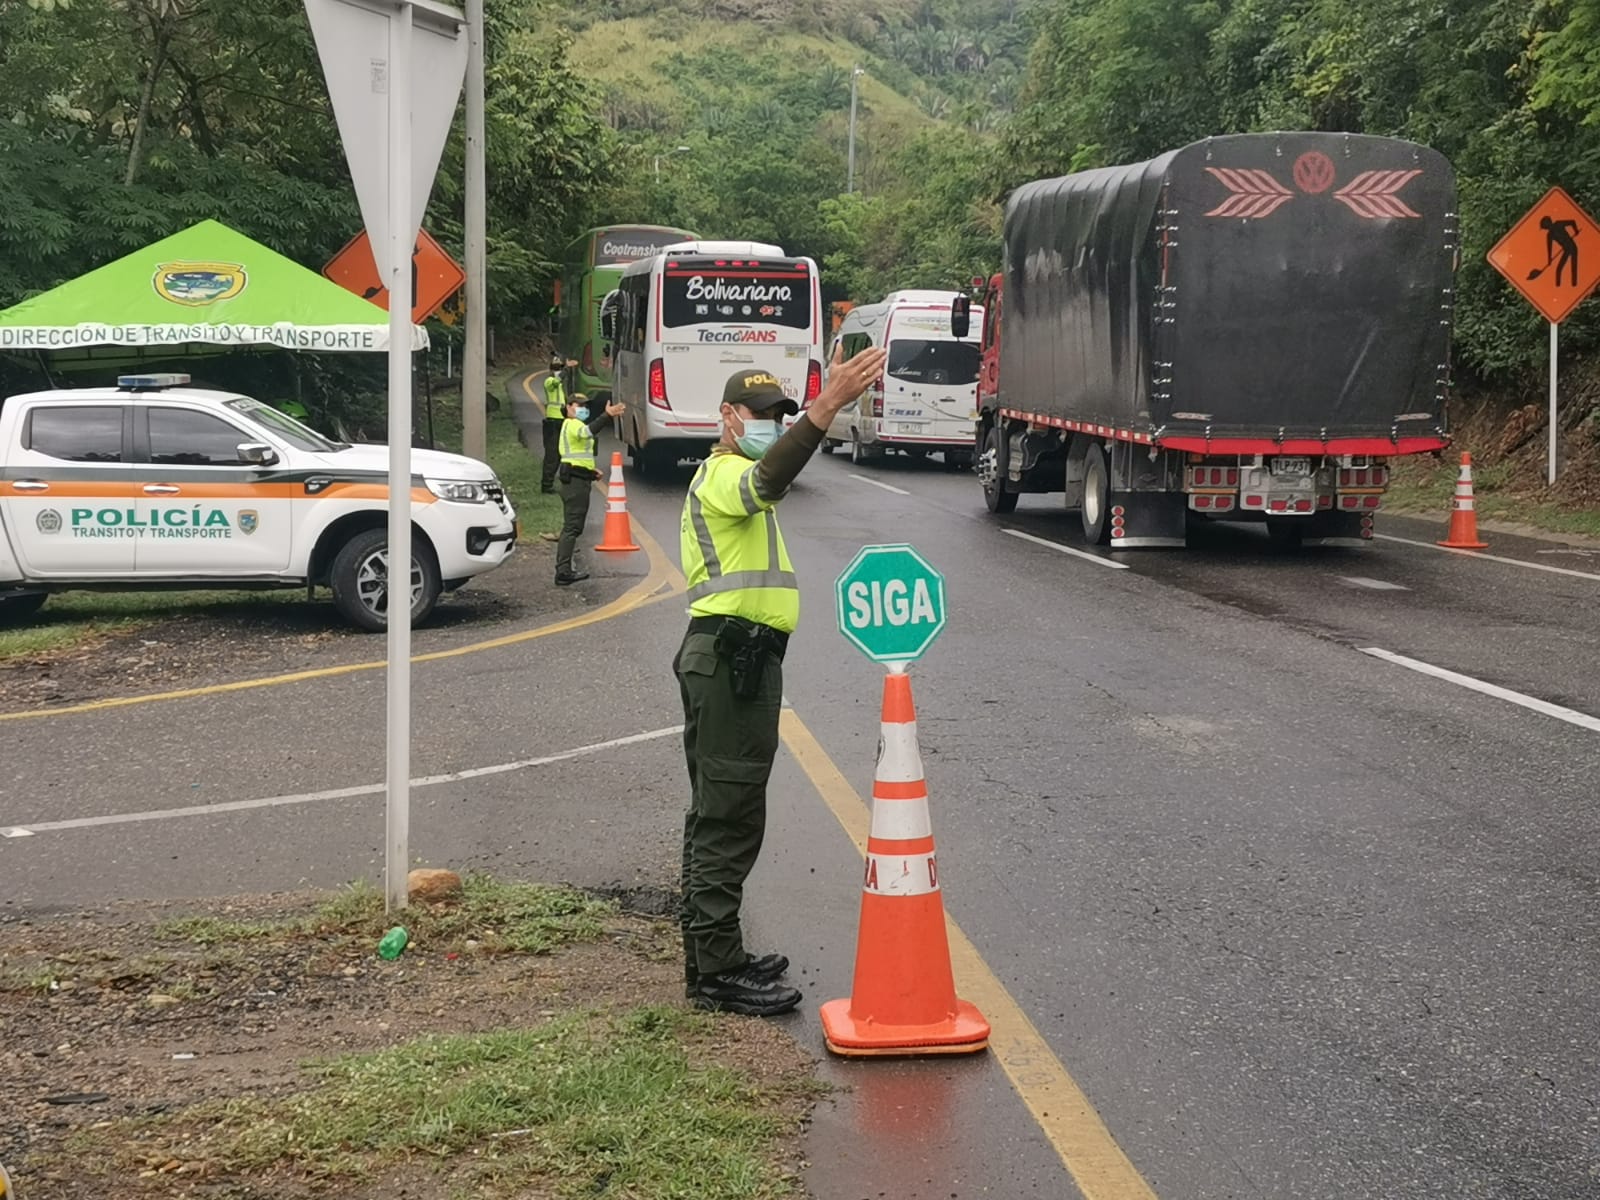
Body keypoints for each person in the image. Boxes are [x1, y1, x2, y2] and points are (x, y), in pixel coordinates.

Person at [675, 345, 888, 1016]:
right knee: (728, 815)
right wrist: (825, 410)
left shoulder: (739, 475)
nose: (771, 423)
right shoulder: (722, 475)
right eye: (760, 413)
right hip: (730, 659)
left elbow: (772, 477)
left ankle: (713, 953)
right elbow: (768, 479)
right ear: (728, 416)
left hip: (739, 660)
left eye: (780, 415)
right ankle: (715, 973)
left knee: (722, 809)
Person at [555, 391, 624, 586]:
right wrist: (606, 416)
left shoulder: (572, 425)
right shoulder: (573, 424)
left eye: (585, 406)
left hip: (577, 479)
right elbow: (588, 432)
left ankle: (564, 569)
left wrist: (591, 473)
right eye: (579, 405)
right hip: (575, 483)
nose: (583, 409)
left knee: (572, 526)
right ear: (568, 407)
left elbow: (576, 457)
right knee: (572, 527)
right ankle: (563, 571)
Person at [540, 356, 578, 494]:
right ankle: (546, 485)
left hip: (561, 420)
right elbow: (556, 381)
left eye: (559, 368)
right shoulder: (549, 381)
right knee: (552, 455)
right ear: (551, 369)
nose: (558, 371)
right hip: (552, 422)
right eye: (556, 368)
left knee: (562, 452)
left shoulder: (561, 386)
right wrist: (566, 369)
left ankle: (559, 481)